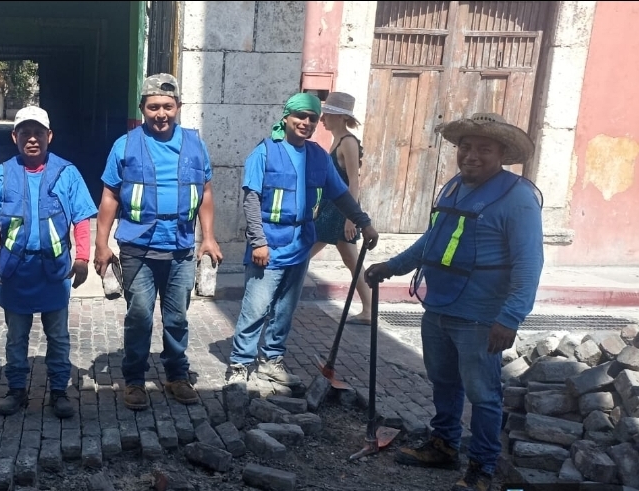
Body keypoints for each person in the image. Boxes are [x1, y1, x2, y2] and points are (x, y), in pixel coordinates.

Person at [366, 113, 543, 491]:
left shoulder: (518, 198)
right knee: (443, 380)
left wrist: (510, 317)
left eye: (484, 148)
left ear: (502, 154)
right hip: (439, 306)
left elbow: (529, 263)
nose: (471, 155)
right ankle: (444, 445)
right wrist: (392, 267)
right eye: (465, 146)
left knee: (483, 395)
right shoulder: (453, 187)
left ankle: (482, 468)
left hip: (480, 317)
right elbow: (432, 240)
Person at [226, 92, 378, 387]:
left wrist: (363, 222)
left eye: (312, 118)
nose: (306, 122)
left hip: (300, 244)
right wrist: (258, 241)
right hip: (269, 245)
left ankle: (271, 360)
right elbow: (251, 200)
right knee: (256, 309)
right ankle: (240, 365)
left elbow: (341, 194)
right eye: (300, 116)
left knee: (285, 310)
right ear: (286, 117)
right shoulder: (265, 152)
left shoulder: (318, 156)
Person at [94, 73, 223, 411]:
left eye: (167, 106)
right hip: (137, 248)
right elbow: (109, 196)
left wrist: (208, 238)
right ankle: (135, 380)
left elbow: (206, 192)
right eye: (153, 107)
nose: (161, 114)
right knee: (139, 316)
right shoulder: (124, 146)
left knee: (177, 317)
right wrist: (101, 244)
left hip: (180, 247)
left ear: (178, 106)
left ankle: (177, 375)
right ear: (142, 109)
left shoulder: (195, 144)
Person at [0, 106, 96, 419]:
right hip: (14, 272)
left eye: (38, 133)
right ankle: (16, 390)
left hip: (54, 273)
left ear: (49, 136)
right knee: (16, 338)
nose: (32, 139)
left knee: (58, 337)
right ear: (14, 137)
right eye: (25, 133)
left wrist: (82, 258)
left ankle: (58, 391)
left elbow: (82, 218)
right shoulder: (2, 174)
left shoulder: (67, 173)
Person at [309, 92, 373, 324]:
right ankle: (368, 310)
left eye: (327, 114)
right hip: (331, 208)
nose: (322, 119)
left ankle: (369, 310)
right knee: (350, 260)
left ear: (339, 116)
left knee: (304, 252)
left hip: (340, 210)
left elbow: (354, 182)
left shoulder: (348, 142)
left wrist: (350, 218)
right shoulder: (337, 140)